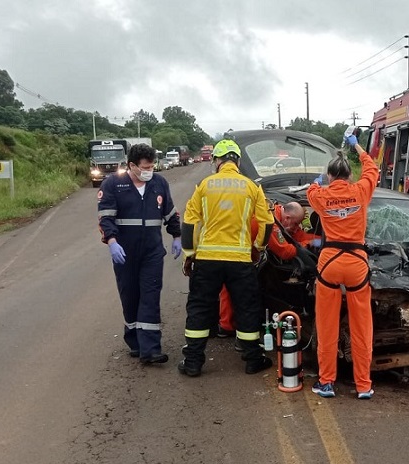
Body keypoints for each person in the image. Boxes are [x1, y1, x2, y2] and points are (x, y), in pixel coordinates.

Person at [179, 139, 275, 377]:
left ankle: (192, 362)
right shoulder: (252, 186)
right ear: (238, 161)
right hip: (240, 261)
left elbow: (189, 223)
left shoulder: (204, 185)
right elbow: (267, 222)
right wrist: (258, 248)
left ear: (217, 161)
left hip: (207, 260)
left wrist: (189, 255)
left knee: (200, 308)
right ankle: (253, 359)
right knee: (246, 308)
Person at [306, 133, 379, 399]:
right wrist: (356, 146)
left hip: (329, 263)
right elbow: (372, 167)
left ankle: (326, 383)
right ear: (349, 175)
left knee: (327, 326)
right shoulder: (361, 190)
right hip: (357, 263)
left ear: (330, 176)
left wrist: (316, 182)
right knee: (362, 328)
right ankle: (363, 385)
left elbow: (310, 191)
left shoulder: (320, 195)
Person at [97, 143, 181, 364]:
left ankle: (150, 349)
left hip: (152, 251)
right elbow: (105, 217)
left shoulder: (159, 183)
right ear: (132, 165)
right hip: (124, 251)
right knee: (130, 296)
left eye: (152, 166)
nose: (149, 170)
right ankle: (135, 342)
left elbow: (170, 213)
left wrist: (177, 236)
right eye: (145, 167)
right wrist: (112, 241)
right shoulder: (113, 184)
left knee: (150, 296)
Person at [215, 201, 318, 338]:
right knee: (235, 290)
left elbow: (297, 236)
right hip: (231, 253)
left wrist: (322, 241)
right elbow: (286, 251)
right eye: (295, 224)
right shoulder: (270, 220)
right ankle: (232, 328)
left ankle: (228, 325)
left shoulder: (277, 216)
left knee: (230, 289)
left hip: (234, 251)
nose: (296, 228)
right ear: (287, 218)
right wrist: (305, 245)